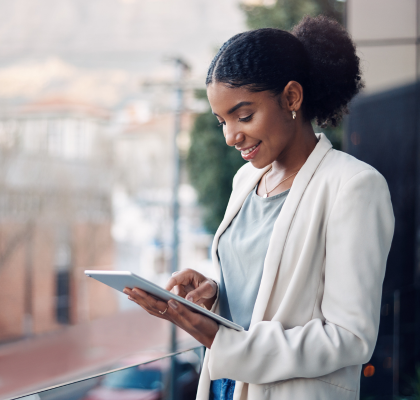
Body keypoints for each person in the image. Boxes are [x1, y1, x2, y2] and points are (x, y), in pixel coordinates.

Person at [124, 15, 394, 400]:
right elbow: (263, 298)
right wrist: (215, 298)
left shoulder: (353, 187)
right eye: (221, 121)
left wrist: (218, 337)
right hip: (225, 387)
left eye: (244, 115)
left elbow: (349, 338)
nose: (231, 136)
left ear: (291, 98)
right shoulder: (244, 181)